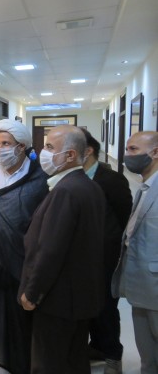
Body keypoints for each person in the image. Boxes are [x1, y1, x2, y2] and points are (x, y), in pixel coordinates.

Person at [18, 124, 105, 373]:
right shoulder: (87, 185)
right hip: (77, 297)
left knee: (49, 363)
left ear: (70, 155)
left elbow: (50, 250)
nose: (43, 153)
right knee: (73, 360)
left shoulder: (66, 191)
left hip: (58, 300)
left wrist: (32, 293)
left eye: (49, 147)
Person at [0, 119, 48, 374]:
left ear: (21, 146)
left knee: (21, 319)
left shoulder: (39, 177)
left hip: (23, 262)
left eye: (6, 143)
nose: (0, 148)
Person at [80, 128, 132, 374]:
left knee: (105, 308)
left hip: (104, 256)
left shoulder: (111, 179)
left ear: (88, 150)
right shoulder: (69, 178)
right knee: (85, 305)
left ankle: (112, 355)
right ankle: (96, 347)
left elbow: (124, 218)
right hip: (78, 256)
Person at [112, 131, 158, 374]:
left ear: (155, 152)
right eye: (127, 149)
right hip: (140, 286)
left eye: (133, 150)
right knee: (147, 354)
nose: (127, 155)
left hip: (155, 285)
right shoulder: (145, 186)